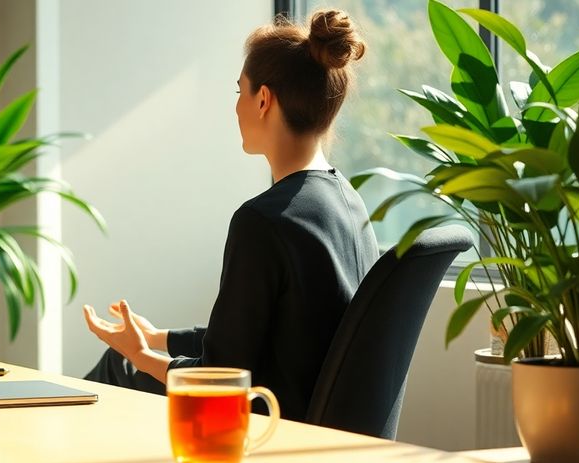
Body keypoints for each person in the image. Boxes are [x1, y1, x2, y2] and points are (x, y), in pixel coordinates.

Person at [83, 9, 379, 422]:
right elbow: (268, 337)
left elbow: (218, 377)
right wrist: (158, 339)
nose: (236, 106)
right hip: (319, 432)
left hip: (266, 424)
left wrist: (139, 354)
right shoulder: (349, 204)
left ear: (263, 100)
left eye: (239, 91)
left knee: (119, 367)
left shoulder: (264, 222)